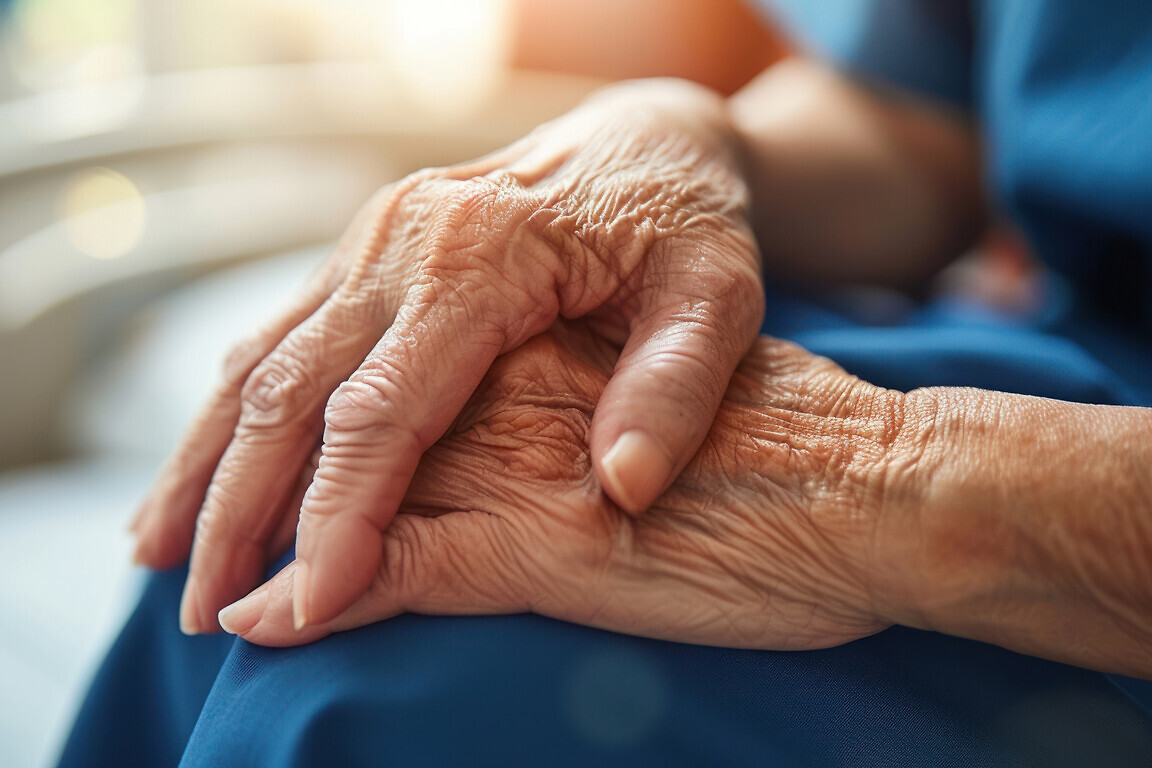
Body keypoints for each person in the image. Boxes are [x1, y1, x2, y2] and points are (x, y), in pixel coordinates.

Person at [60, 0, 1152, 765]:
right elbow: (916, 115)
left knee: (408, 702)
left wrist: (884, 483)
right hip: (1064, 353)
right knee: (327, 501)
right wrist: (682, 134)